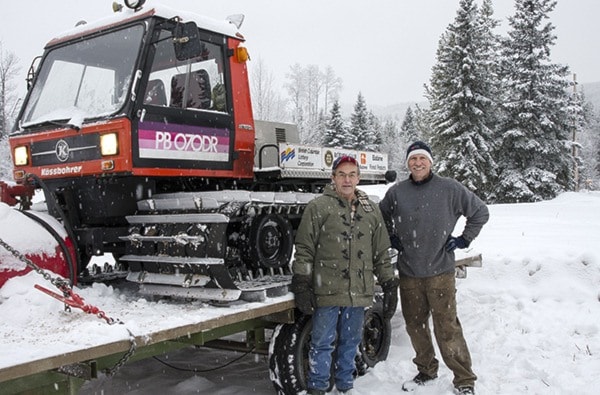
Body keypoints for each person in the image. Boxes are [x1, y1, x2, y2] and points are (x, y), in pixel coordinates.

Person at [379, 141, 489, 395]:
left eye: (422, 159)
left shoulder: (449, 188)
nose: (417, 163)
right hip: (409, 273)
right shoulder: (397, 192)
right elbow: (380, 216)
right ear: (407, 163)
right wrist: (391, 236)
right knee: (414, 326)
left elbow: (480, 212)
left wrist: (464, 239)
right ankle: (426, 370)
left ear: (430, 162)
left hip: (440, 273)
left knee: (447, 327)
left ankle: (464, 380)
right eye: (413, 159)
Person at [291, 155, 400, 395]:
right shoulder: (318, 207)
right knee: (321, 343)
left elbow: (381, 252)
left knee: (350, 342)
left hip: (359, 290)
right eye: (342, 174)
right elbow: (305, 249)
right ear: (333, 178)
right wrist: (302, 282)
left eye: (352, 175)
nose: (347, 179)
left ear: (358, 178)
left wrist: (389, 283)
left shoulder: (370, 211)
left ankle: (345, 386)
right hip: (327, 289)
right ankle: (318, 388)